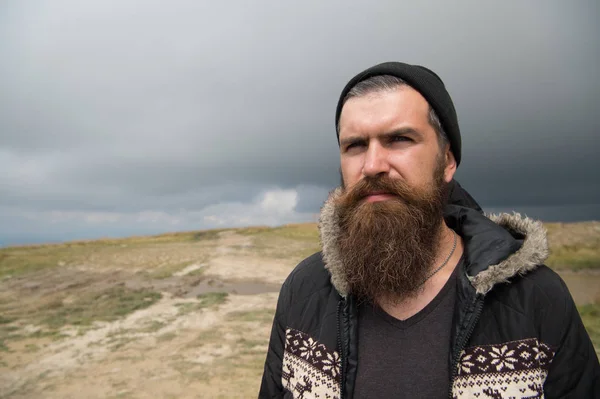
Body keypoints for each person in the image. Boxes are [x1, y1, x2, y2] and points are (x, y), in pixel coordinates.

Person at [259, 62, 599, 398]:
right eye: (355, 145)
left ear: (447, 161)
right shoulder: (304, 291)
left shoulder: (535, 300)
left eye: (399, 139)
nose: (373, 165)